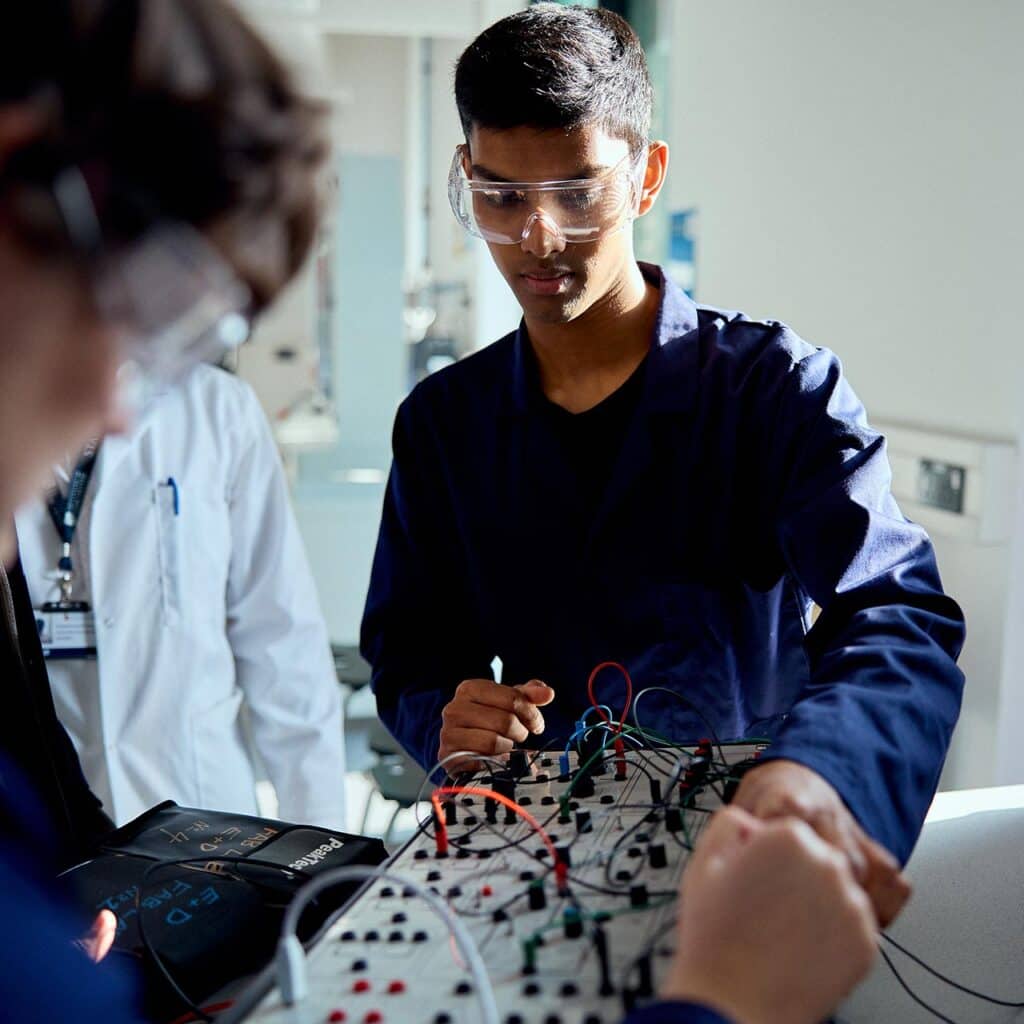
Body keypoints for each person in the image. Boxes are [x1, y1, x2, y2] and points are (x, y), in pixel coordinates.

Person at [361, 2, 965, 928]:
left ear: (646, 177)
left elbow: (895, 613)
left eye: (576, 191)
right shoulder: (447, 424)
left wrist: (821, 778)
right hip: (536, 865)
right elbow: (410, 649)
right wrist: (448, 714)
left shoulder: (772, 392)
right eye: (502, 194)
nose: (538, 238)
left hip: (750, 856)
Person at [0, 0, 329, 1015]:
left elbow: (285, 656)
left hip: (182, 852)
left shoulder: (216, 418)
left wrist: (322, 897)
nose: (117, 405)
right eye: (147, 300)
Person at [16, 363, 347, 829]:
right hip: (44, 830)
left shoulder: (217, 409)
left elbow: (284, 647)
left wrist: (322, 845)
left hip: (204, 811)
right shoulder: (16, 406)